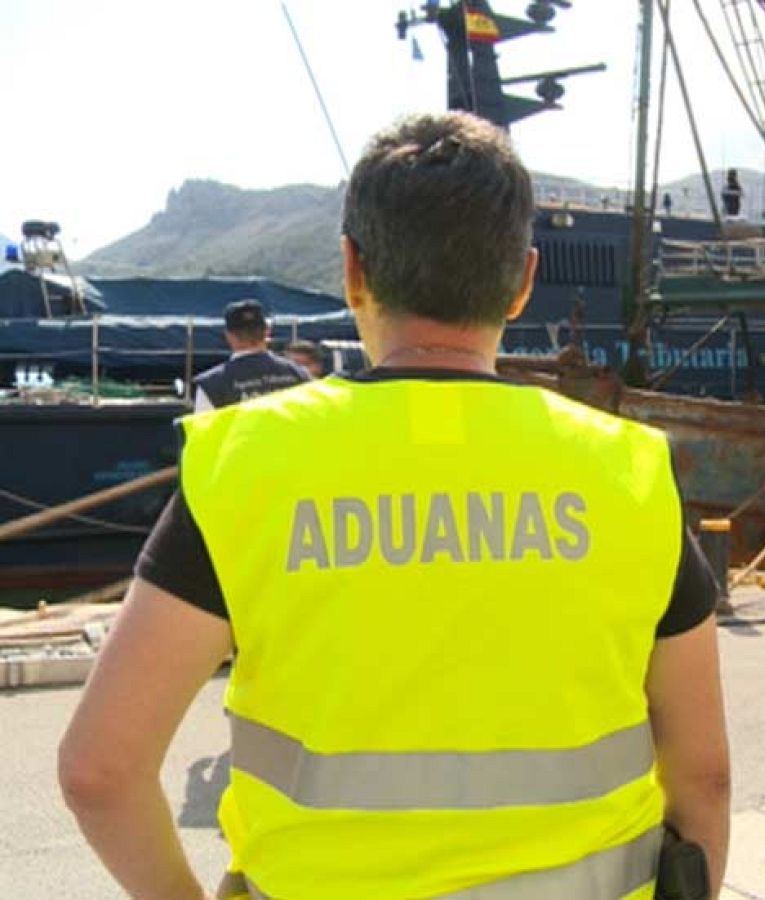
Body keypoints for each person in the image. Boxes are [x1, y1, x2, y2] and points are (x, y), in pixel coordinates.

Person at [59, 112, 731, 900]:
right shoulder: (630, 472)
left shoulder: (245, 464)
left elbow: (99, 772)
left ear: (352, 269)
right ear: (522, 281)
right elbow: (706, 779)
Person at [190, 299, 311, 411]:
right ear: (267, 331)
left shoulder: (212, 385)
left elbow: (204, 430)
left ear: (228, 335)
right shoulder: (299, 375)